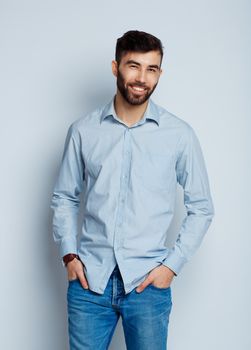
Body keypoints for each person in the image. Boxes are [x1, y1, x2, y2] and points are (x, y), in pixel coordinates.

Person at [50, 30, 214, 350]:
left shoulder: (179, 135)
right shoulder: (83, 131)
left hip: (147, 286)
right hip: (90, 285)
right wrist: (69, 255)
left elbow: (202, 207)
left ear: (160, 74)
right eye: (133, 66)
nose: (141, 78)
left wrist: (171, 266)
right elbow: (64, 196)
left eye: (151, 69)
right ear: (116, 67)